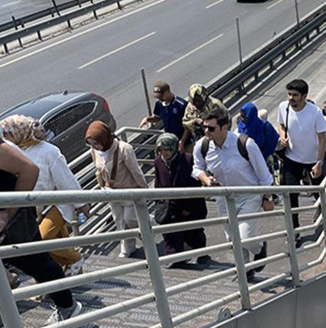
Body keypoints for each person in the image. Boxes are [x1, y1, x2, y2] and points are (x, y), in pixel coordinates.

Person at [0, 134, 84, 323]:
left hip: (15, 221)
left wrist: (8, 212)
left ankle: (67, 306)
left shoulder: (47, 151)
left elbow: (29, 169)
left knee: (37, 262)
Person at [0, 116, 87, 276]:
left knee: (44, 239)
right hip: (35, 207)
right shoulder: (14, 151)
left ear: (21, 132)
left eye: (8, 133)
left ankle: (75, 259)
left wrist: (81, 204)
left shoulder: (48, 151)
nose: (5, 137)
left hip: (55, 203)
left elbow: (65, 179)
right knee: (52, 241)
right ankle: (65, 272)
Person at [193, 107, 274, 278]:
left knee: (244, 237)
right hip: (224, 198)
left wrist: (267, 197)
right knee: (233, 240)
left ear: (225, 127)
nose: (206, 131)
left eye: (211, 128)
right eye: (205, 128)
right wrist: (207, 180)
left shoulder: (245, 144)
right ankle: (245, 272)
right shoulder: (203, 145)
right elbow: (197, 168)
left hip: (249, 195)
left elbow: (264, 175)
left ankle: (259, 248)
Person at [87, 121, 149, 258]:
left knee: (130, 219)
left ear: (104, 138)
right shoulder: (95, 151)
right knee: (119, 221)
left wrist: (145, 190)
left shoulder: (124, 149)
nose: (94, 147)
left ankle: (148, 232)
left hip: (128, 191)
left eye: (96, 143)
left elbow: (136, 171)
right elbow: (99, 169)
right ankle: (127, 247)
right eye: (91, 144)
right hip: (111, 193)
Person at [276, 79, 326, 232]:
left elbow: (322, 138)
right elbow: (280, 124)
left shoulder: (315, 112)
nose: (291, 98)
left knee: (320, 192)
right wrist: (283, 134)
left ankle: (324, 215)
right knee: (291, 196)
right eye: (289, 94)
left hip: (312, 160)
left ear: (304, 96)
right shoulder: (283, 108)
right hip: (292, 159)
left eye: (295, 95)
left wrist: (319, 162)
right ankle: (294, 229)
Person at [153, 133, 208, 265]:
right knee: (170, 231)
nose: (164, 153)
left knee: (193, 231)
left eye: (166, 149)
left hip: (190, 203)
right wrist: (158, 201)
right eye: (160, 150)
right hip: (169, 204)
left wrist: (188, 208)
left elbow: (195, 184)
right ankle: (175, 258)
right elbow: (158, 182)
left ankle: (201, 253)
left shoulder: (188, 160)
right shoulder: (158, 161)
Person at [181, 84, 226, 151]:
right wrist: (194, 121)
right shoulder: (190, 107)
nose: (196, 103)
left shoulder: (215, 104)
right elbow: (185, 123)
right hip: (199, 139)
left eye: (199, 100)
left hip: (217, 138)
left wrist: (205, 122)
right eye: (194, 101)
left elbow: (226, 121)